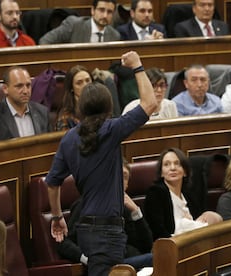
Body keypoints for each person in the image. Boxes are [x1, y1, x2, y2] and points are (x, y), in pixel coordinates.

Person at [45, 51, 157, 275]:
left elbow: (52, 183)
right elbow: (150, 103)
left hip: (87, 229)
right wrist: (137, 65)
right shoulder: (112, 129)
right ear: (108, 106)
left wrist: (57, 217)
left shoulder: (68, 138)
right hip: (108, 230)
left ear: (82, 107)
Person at [57, 159, 153, 271]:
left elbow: (146, 246)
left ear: (127, 184)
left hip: (127, 262)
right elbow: (64, 243)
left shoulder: (125, 208)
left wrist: (136, 211)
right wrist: (86, 259)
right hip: (104, 267)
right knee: (155, 259)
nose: (119, 180)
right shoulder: (86, 204)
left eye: (124, 177)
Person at [144, 147, 223, 240]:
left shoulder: (188, 194)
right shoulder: (155, 193)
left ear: (185, 171)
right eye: (167, 164)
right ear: (161, 173)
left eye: (177, 164)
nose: (172, 168)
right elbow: (158, 232)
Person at [0, 66, 50, 143]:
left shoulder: (42, 112)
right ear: (5, 89)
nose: (25, 91)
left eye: (28, 85)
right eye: (19, 86)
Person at [38, 0, 120, 44]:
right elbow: (44, 41)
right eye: (101, 10)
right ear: (92, 10)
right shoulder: (73, 24)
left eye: (109, 12)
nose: (105, 15)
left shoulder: (115, 35)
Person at [55, 65, 93, 131]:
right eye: (79, 83)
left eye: (88, 80)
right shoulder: (65, 117)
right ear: (72, 88)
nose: (85, 85)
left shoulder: (100, 106)